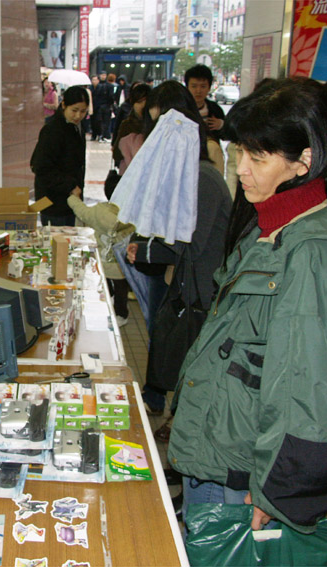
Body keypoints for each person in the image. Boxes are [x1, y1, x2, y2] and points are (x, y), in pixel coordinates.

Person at [167, 78, 327, 536]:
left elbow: (317, 387)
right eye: (241, 151)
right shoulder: (271, 225)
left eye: (257, 157)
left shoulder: (315, 253)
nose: (241, 169)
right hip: (221, 451)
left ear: (304, 160)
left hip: (246, 478)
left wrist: (280, 492)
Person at [125, 80, 232, 426]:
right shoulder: (189, 175)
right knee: (172, 349)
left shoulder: (203, 177)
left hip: (205, 290)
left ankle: (183, 427)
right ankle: (174, 417)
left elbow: (191, 243)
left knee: (193, 361)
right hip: (190, 286)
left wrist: (146, 251)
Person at [67, 186, 134, 326]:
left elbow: (80, 210)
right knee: (121, 287)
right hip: (122, 260)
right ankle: (122, 314)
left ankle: (108, 301)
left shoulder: (97, 212)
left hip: (103, 260)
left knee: (104, 282)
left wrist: (74, 196)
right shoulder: (132, 212)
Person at [30, 85, 89, 227]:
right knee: (56, 238)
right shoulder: (52, 130)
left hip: (71, 200)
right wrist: (70, 186)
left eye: (83, 111)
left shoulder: (78, 127)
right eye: (74, 110)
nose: (78, 116)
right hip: (53, 202)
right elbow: (40, 167)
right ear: (63, 105)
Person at [112, 82, 151, 174]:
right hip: (129, 174)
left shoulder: (156, 125)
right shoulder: (127, 125)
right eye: (139, 102)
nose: (143, 106)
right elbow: (117, 154)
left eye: (146, 101)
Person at [184, 64, 225, 141]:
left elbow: (226, 136)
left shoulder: (215, 109)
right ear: (187, 87)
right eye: (194, 86)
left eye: (203, 86)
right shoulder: (181, 109)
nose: (198, 91)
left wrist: (221, 125)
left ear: (209, 88)